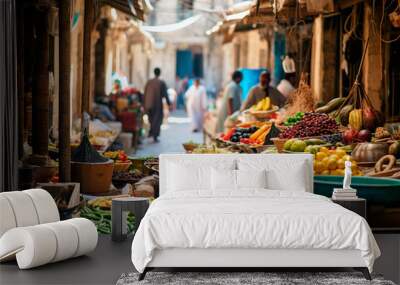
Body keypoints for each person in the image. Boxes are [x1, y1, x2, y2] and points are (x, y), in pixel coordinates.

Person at [143, 67, 171, 142]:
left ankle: (152, 133)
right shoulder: (161, 82)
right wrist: (169, 103)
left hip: (148, 104)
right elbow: (165, 94)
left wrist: (143, 104)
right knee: (157, 120)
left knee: (151, 119)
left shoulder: (149, 82)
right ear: (159, 73)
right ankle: (154, 135)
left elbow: (144, 93)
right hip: (157, 104)